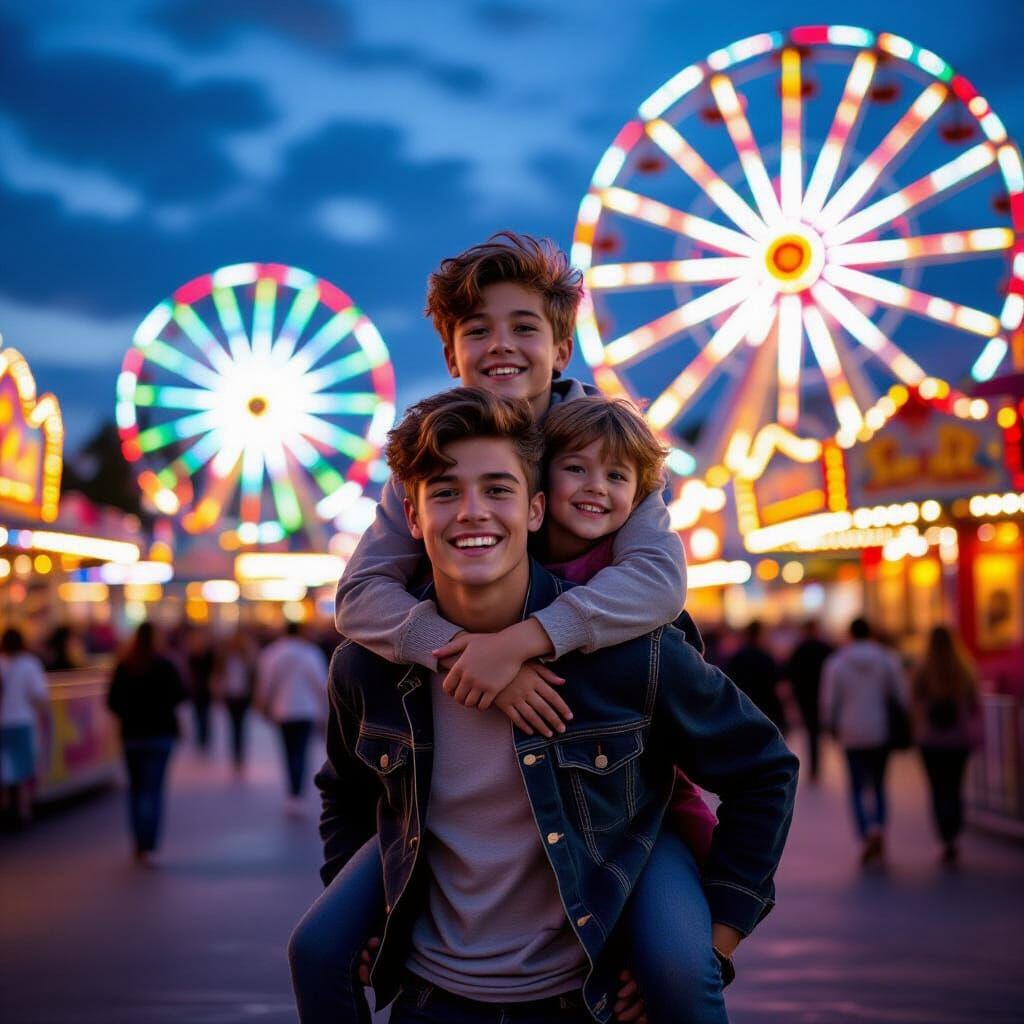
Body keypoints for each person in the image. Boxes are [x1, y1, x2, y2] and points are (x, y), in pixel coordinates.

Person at [301, 388, 798, 1024]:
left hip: (588, 1001)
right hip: (432, 1001)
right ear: (412, 516)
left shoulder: (631, 652)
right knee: (312, 952)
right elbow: (346, 792)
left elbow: (765, 771)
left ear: (537, 510)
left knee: (682, 968)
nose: (472, 513)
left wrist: (716, 940)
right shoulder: (368, 666)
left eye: (498, 490)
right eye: (446, 493)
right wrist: (378, 914)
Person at [292, 233, 680, 1023]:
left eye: (523, 327)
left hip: (602, 734)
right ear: (450, 351)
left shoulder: (602, 446)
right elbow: (360, 596)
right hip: (464, 738)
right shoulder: (439, 452)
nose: (500, 345)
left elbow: (660, 578)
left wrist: (528, 641)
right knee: (316, 951)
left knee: (680, 971)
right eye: (477, 330)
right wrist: (473, 658)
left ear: (562, 345)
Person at [821, 618, 909, 866]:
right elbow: (900, 695)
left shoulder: (837, 662)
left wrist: (830, 725)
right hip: (880, 730)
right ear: (871, 632)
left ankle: (866, 833)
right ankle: (879, 827)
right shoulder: (886, 659)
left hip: (851, 732)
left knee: (857, 786)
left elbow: (829, 701)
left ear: (849, 635)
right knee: (880, 784)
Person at [106, 622, 187, 865]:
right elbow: (180, 696)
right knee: (153, 789)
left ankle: (138, 841)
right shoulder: (165, 665)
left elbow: (112, 701)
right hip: (160, 735)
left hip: (132, 736)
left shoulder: (124, 665)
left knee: (136, 789)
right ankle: (149, 843)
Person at [911, 625, 980, 866]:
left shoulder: (923, 669)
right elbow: (974, 703)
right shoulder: (964, 669)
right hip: (957, 739)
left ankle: (945, 835)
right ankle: (955, 830)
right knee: (955, 785)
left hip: (930, 740)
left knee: (937, 787)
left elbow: (913, 701)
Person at [256, 622, 328, 809]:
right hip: (306, 709)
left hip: (282, 710)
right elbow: (320, 683)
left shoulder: (272, 653)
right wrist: (325, 709)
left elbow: (266, 683)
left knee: (287, 751)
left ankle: (291, 791)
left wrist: (263, 705)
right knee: (302, 751)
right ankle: (299, 793)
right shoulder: (310, 653)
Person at [0, 628, 50, 827]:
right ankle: (22, 810)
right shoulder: (30, 664)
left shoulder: (1, 664)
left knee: (4, 766)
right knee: (22, 768)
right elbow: (39, 695)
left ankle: (4, 807)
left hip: (2, 723)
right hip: (22, 720)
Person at [783, 620, 833, 781]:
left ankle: (814, 769)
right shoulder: (825, 648)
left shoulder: (800, 649)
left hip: (805, 696)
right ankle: (816, 766)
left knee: (811, 731)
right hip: (822, 693)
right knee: (816, 731)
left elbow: (790, 672)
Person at [725, 621, 785, 733]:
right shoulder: (765, 657)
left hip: (743, 708)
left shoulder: (738, 657)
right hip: (765, 708)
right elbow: (776, 684)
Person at [214, 629, 256, 772]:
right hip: (231, 695)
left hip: (241, 695)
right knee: (235, 725)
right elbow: (220, 675)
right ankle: (236, 754)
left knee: (240, 725)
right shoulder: (226, 658)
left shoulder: (246, 658)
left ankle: (239, 754)